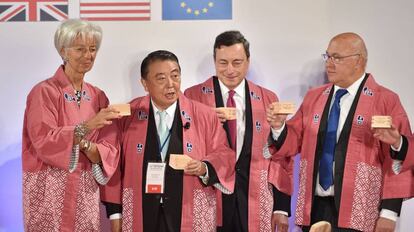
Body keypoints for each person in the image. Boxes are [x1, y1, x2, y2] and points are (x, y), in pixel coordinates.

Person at [267, 32, 413, 232]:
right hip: (315, 206)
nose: (329, 63)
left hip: (360, 212)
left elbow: (398, 161)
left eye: (337, 58)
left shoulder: (385, 99)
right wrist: (278, 127)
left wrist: (389, 213)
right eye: (327, 56)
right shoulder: (314, 97)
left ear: (358, 61)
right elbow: (292, 142)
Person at [100, 50, 235, 232]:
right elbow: (113, 164)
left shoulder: (204, 115)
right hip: (141, 210)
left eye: (175, 75)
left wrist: (204, 168)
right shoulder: (128, 115)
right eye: (161, 78)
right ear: (145, 84)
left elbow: (224, 153)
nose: (171, 85)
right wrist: (115, 213)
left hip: (188, 209)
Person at [184, 30, 292, 232]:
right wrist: (206, 124)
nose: (230, 70)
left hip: (255, 199)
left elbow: (281, 157)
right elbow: (185, 147)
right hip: (208, 195)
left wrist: (281, 207)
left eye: (237, 62)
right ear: (214, 61)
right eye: (223, 63)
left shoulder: (268, 98)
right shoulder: (193, 97)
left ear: (248, 61)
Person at [22, 19, 120, 231]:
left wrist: (86, 146)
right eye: (80, 49)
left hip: (85, 189)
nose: (88, 55)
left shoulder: (98, 96)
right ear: (63, 51)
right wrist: (86, 127)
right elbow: (43, 140)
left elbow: (108, 149)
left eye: (93, 49)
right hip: (49, 188)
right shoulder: (44, 91)